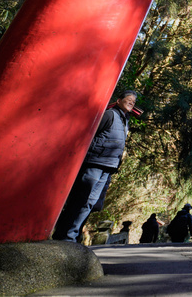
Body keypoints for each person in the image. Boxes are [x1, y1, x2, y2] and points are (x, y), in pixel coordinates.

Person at [52, 89, 138, 242]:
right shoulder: (109, 115)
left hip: (108, 167)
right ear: (118, 100)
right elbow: (90, 134)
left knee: (90, 203)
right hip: (94, 163)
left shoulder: (125, 120)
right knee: (80, 199)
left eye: (134, 101)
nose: (132, 102)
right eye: (129, 99)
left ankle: (73, 235)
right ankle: (63, 235)